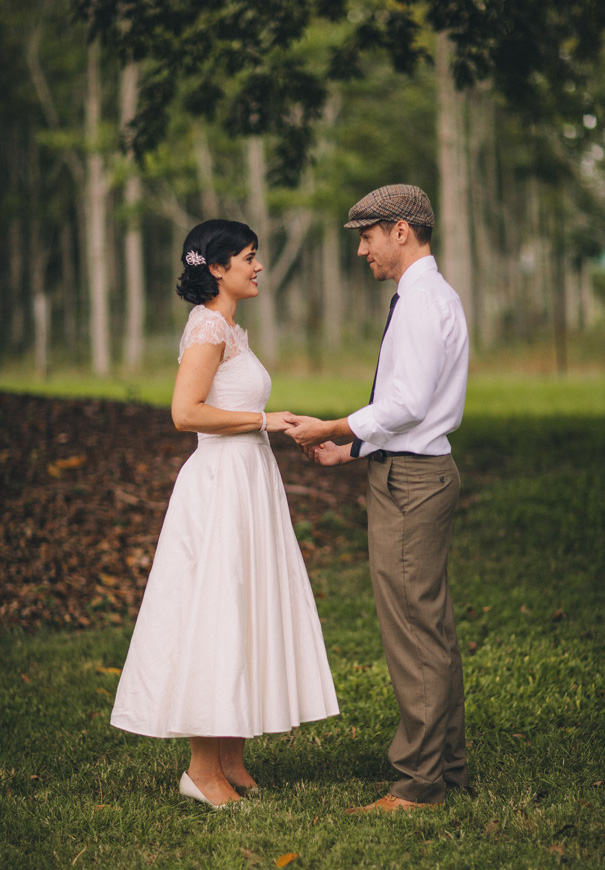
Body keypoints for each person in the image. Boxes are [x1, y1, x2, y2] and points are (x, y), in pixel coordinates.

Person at [111, 219, 339, 808]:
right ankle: (200, 770)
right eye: (248, 257)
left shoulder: (231, 328)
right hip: (219, 483)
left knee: (245, 605)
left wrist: (279, 421)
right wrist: (266, 420)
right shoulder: (210, 325)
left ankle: (232, 758)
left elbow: (230, 402)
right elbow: (185, 413)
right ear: (216, 269)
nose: (258, 266)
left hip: (250, 478)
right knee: (216, 610)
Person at [285, 184, 469, 813]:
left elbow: (408, 403)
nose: (361, 249)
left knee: (414, 635)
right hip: (412, 469)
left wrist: (334, 427)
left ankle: (418, 786)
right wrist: (357, 451)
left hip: (412, 485)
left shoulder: (421, 302)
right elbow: (409, 406)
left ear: (399, 230)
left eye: (365, 236)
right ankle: (449, 766)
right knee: (432, 629)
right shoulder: (427, 296)